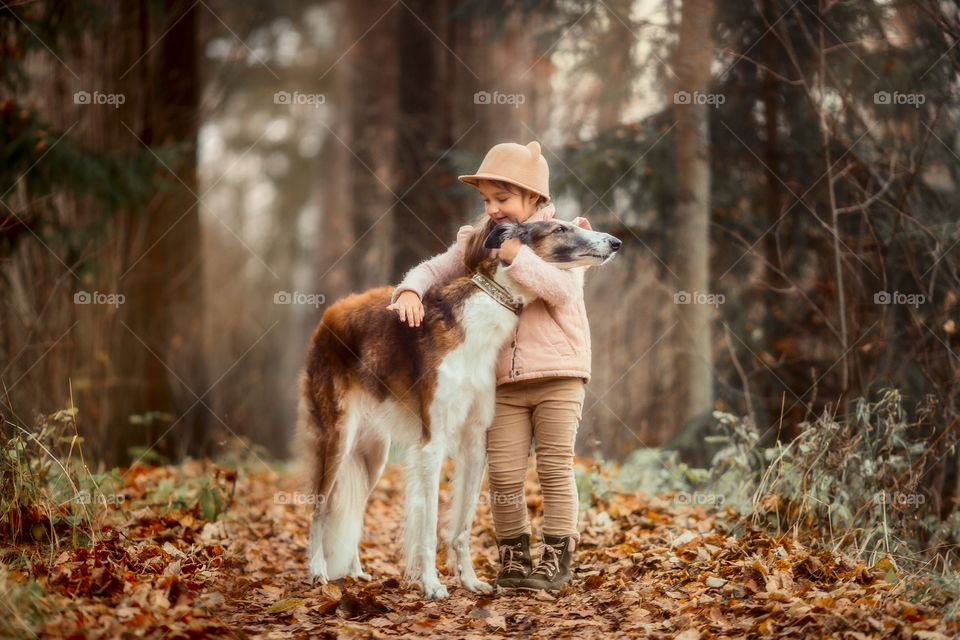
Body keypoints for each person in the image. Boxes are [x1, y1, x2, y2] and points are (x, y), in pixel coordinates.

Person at [385, 140, 592, 591]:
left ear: (533, 198)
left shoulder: (565, 234)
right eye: (487, 201)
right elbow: (435, 269)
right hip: (500, 381)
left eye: (503, 199)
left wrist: (518, 258)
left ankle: (556, 560)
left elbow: (563, 292)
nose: (494, 208)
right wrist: (408, 290)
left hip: (559, 374)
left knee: (555, 466)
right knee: (502, 472)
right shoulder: (480, 240)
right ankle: (514, 561)